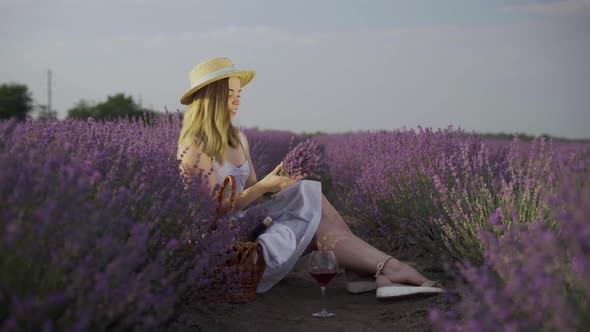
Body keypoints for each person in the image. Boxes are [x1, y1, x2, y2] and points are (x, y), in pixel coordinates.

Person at [177, 57, 442, 298]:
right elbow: (214, 212)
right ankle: (381, 269)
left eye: (239, 94)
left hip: (248, 224)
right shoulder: (194, 146)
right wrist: (265, 187)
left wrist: (276, 184)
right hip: (226, 245)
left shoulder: (238, 138)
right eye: (228, 95)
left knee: (306, 191)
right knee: (316, 224)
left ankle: (376, 270)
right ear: (209, 99)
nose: (236, 101)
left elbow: (253, 191)